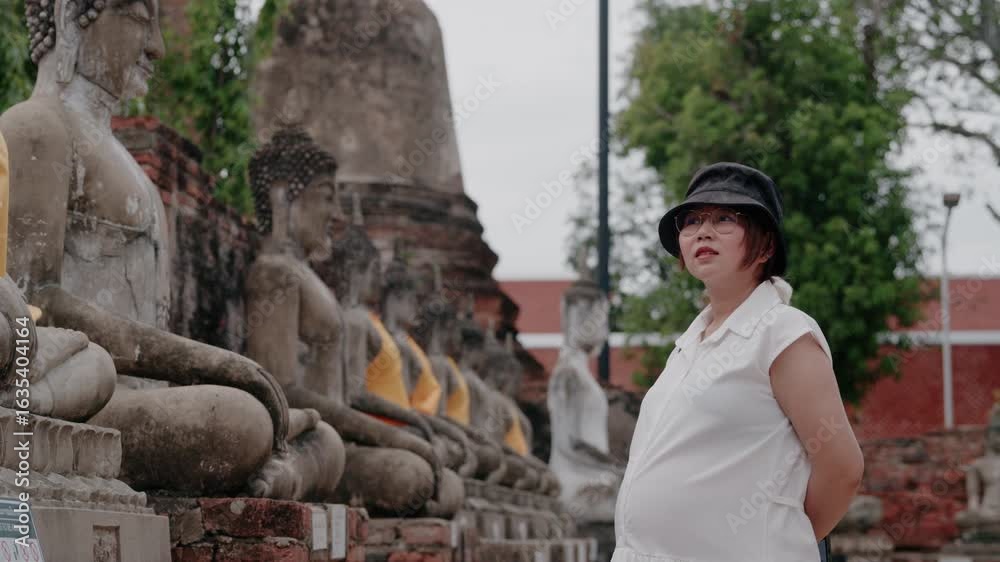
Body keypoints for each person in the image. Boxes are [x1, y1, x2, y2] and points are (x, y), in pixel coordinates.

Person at [611, 162, 864, 562]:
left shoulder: (782, 333)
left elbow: (842, 468)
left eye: (725, 218)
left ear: (765, 246)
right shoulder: (687, 346)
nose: (703, 231)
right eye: (692, 220)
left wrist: (778, 539)